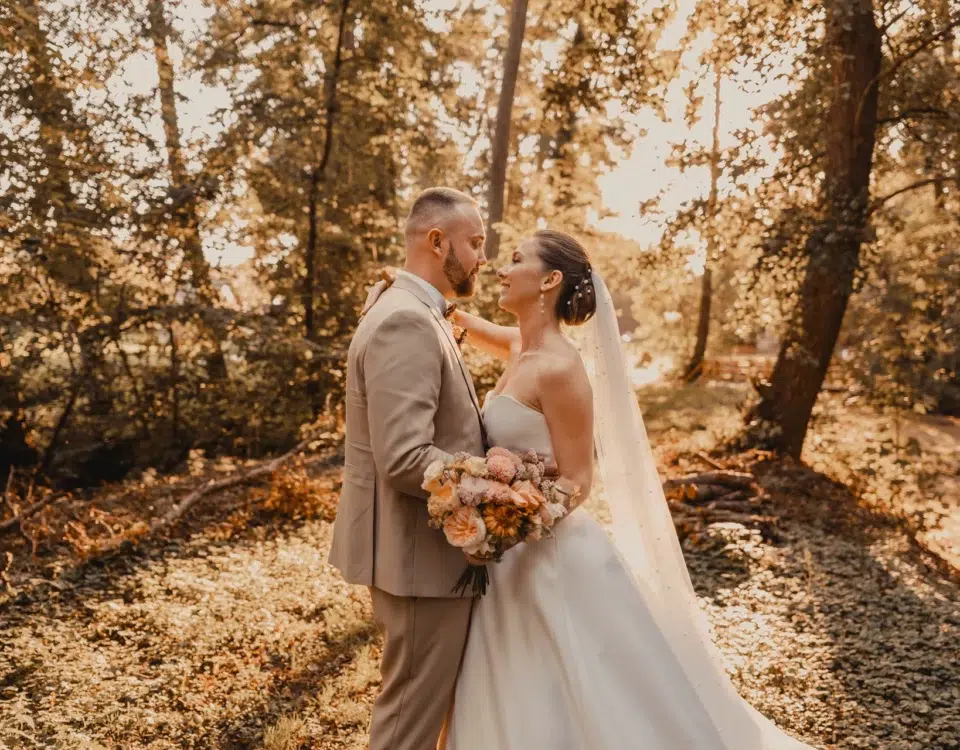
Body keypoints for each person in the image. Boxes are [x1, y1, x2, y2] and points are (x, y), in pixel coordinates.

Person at [327, 186, 488, 750]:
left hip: (422, 557)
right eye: (475, 242)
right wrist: (499, 486)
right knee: (407, 727)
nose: (482, 257)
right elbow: (405, 458)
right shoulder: (407, 321)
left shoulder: (410, 309)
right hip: (419, 558)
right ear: (436, 240)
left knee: (423, 712)